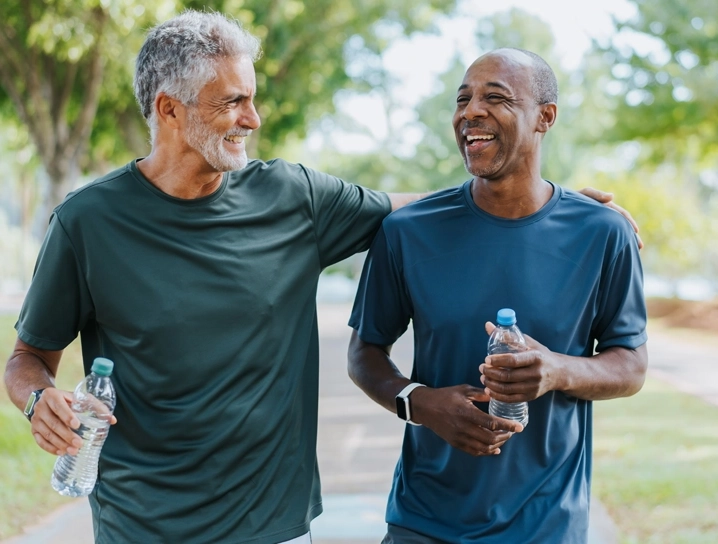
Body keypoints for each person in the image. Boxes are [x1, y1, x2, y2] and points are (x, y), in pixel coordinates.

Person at [3, 11, 638, 544]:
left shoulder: (292, 197)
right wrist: (39, 400)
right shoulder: (87, 222)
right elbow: (28, 357)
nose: (253, 119)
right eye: (234, 102)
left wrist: (559, 206)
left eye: (252, 99)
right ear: (170, 110)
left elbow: (421, 208)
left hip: (275, 527)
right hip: (137, 524)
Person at [347, 47, 648, 544]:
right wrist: (419, 403)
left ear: (544, 118)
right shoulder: (406, 232)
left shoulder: (602, 233)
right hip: (423, 522)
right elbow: (364, 353)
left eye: (496, 98)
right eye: (463, 99)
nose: (471, 112)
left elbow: (632, 366)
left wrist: (557, 370)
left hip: (547, 526)